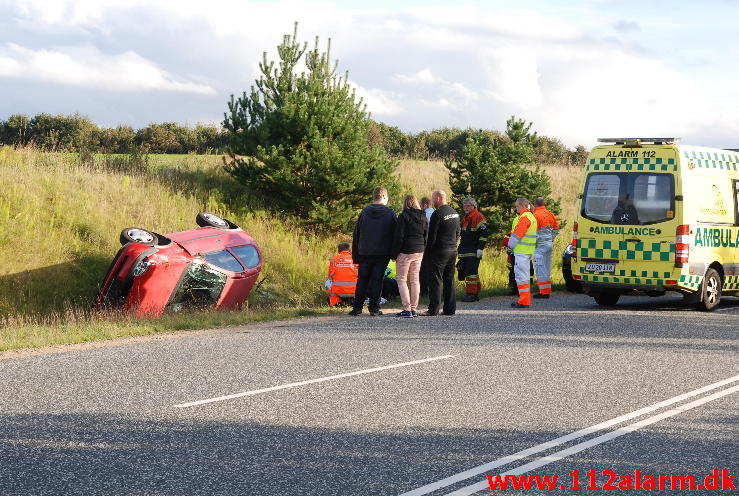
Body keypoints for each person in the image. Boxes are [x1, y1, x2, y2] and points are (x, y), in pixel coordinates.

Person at [350, 186, 397, 316]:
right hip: (382, 253)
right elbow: (396, 235)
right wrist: (394, 253)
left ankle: (357, 307)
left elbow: (356, 234)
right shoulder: (390, 213)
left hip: (364, 251)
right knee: (377, 280)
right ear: (384, 197)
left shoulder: (364, 212)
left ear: (374, 197)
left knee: (362, 280)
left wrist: (356, 255)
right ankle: (374, 309)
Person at [420, 189, 460, 316]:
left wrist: (427, 253)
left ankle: (433, 309)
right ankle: (450, 309)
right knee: (449, 279)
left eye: (433, 198)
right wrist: (453, 244)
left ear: (438, 198)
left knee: (436, 280)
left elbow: (432, 236)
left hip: (440, 251)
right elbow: (458, 232)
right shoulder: (454, 213)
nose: (432, 201)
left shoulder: (437, 214)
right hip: (452, 250)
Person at [391, 194, 428, 317]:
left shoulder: (403, 216)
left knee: (401, 279)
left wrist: (394, 253)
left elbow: (398, 236)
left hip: (406, 251)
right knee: (415, 280)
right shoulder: (423, 215)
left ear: (406, 203)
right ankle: (413, 309)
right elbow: (426, 234)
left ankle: (406, 309)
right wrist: (423, 248)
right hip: (419, 250)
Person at [503, 197, 538, 308]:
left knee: (521, 277)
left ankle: (524, 301)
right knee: (525, 277)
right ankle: (525, 300)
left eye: (517, 206)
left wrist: (510, 246)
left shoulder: (524, 218)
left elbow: (517, 235)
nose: (516, 208)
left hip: (521, 252)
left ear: (522, 205)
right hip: (528, 252)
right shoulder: (532, 217)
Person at [457, 197, 488, 302]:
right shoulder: (466, 218)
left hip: (474, 250)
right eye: (464, 206)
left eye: (468, 206)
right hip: (465, 250)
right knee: (469, 272)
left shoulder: (479, 217)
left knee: (471, 273)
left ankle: (471, 294)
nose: (465, 207)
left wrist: (480, 248)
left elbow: (484, 234)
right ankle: (476, 292)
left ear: (474, 206)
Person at [532, 197, 560, 299]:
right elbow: (556, 230)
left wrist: (534, 244)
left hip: (540, 246)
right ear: (544, 204)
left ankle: (543, 292)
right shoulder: (550, 214)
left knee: (540, 268)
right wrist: (550, 239)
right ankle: (546, 290)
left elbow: (533, 233)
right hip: (549, 244)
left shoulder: (535, 216)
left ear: (535, 205)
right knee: (547, 268)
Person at [326, 242, 358, 307]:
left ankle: (336, 302)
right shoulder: (356, 258)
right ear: (349, 250)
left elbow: (330, 276)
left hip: (338, 290)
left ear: (339, 250)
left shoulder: (334, 259)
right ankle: (356, 301)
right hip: (355, 290)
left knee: (327, 283)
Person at [419, 196, 434, 296]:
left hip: (425, 245)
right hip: (435, 246)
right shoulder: (436, 213)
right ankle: (433, 291)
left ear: (424, 204)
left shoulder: (423, 214)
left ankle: (424, 292)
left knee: (423, 269)